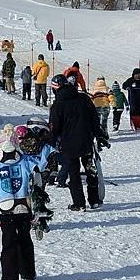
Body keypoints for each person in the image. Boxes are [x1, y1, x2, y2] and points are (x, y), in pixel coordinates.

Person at [0, 124, 49, 280]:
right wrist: (38, 207)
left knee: (9, 244)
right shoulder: (26, 161)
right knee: (25, 239)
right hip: (24, 207)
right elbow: (37, 183)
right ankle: (28, 272)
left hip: (6, 209)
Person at [49, 74, 110, 211]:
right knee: (90, 170)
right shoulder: (84, 98)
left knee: (74, 173)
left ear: (55, 89)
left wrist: (51, 142)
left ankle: (79, 203)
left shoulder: (57, 105)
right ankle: (94, 200)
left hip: (69, 145)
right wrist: (99, 135)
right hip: (86, 141)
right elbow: (95, 119)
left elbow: (55, 127)